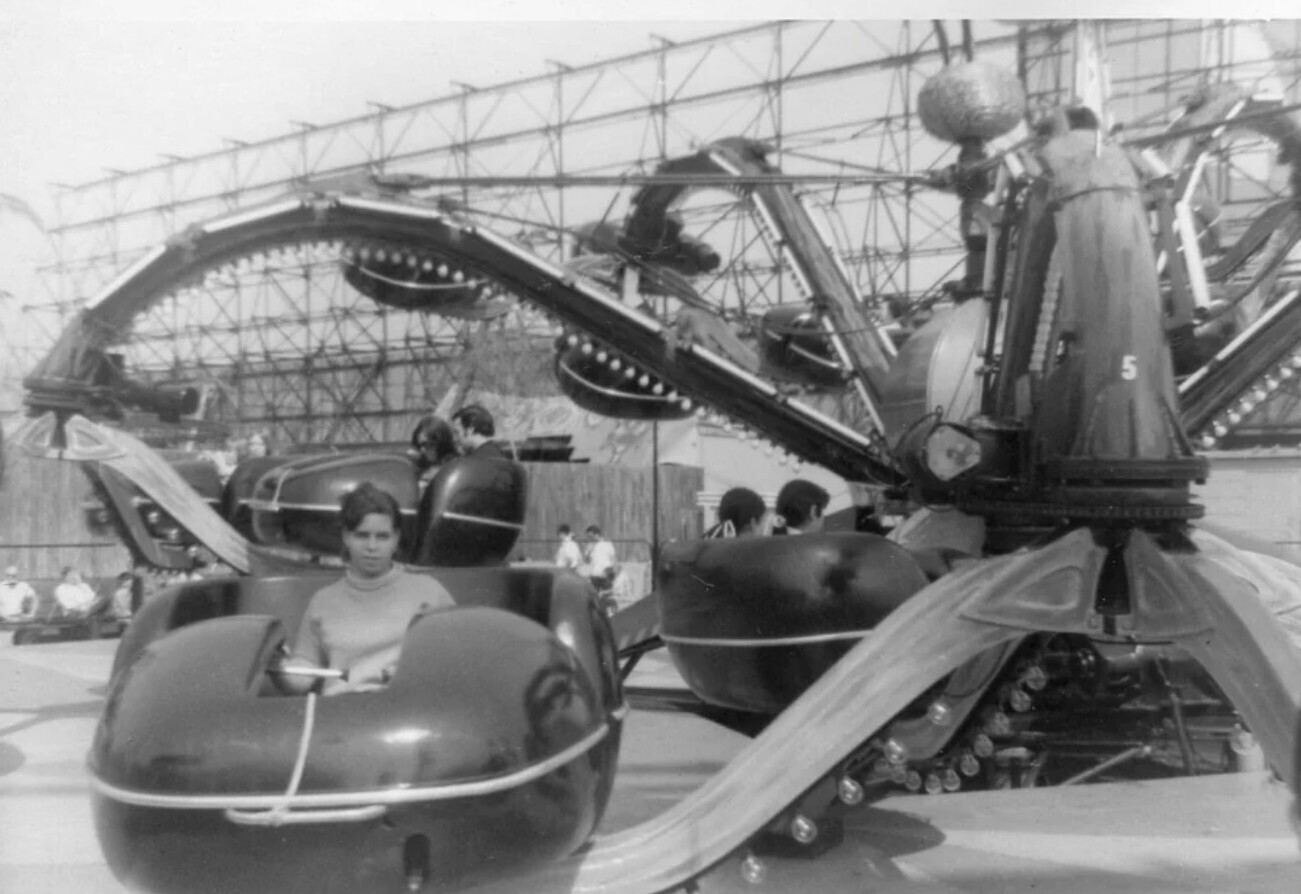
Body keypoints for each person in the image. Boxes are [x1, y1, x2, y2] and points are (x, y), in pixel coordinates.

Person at [278, 482, 456, 695]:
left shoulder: (429, 592)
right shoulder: (323, 601)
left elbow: (459, 660)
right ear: (346, 537)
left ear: (396, 538)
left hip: (407, 709)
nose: (372, 547)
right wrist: (276, 665)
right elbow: (303, 674)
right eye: (362, 535)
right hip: (343, 714)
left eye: (382, 537)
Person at [411, 414, 458, 487]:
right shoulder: (417, 466)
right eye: (419, 445)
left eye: (427, 445)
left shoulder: (454, 467)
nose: (422, 450)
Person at [584, 525, 619, 593]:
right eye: (588, 537)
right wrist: (588, 552)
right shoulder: (589, 545)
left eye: (591, 536)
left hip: (605, 575)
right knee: (594, 597)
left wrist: (614, 573)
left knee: (607, 596)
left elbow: (614, 559)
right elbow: (586, 561)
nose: (590, 538)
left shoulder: (607, 544)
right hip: (594, 576)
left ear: (597, 534)